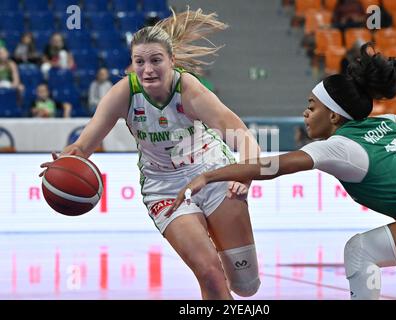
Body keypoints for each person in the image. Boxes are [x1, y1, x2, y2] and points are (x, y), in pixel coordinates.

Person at [169, 43, 396, 300]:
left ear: (333, 116)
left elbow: (273, 166)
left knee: (360, 250)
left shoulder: (339, 146)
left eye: (311, 107)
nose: (305, 113)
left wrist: (209, 175)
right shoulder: (388, 122)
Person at [39, 8, 261, 300]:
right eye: (139, 61)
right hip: (165, 188)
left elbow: (240, 133)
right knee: (209, 272)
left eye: (156, 60)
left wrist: (247, 175)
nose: (147, 69)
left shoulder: (189, 89)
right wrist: (66, 162)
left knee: (246, 287)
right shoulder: (124, 93)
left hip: (212, 174)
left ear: (172, 61)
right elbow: (83, 146)